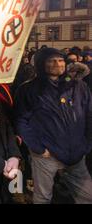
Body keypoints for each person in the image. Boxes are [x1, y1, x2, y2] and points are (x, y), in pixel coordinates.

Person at [15, 48, 92, 204]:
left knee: (87, 196)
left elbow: (89, 114)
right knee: (42, 198)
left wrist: (87, 143)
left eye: (61, 60)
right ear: (41, 64)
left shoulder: (78, 86)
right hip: (47, 155)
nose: (58, 64)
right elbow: (22, 121)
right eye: (52, 60)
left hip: (76, 154)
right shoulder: (29, 89)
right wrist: (38, 148)